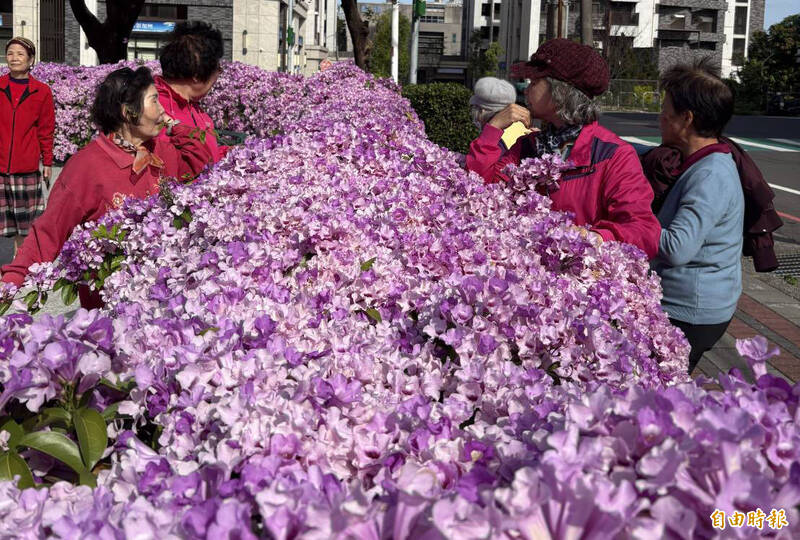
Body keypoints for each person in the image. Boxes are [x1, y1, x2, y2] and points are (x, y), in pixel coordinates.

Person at [1, 67, 213, 307]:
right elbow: (47, 234)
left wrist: (174, 125)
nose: (163, 109)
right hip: (108, 309)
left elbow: (199, 160)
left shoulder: (160, 152)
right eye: (155, 100)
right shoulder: (86, 167)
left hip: (161, 303)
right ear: (127, 111)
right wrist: (10, 284)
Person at [466, 38, 660, 259]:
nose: (526, 89)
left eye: (535, 81)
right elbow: (480, 190)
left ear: (561, 92)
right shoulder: (528, 145)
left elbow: (645, 232)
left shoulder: (613, 155)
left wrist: (593, 237)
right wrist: (493, 128)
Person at [650, 58, 744, 373]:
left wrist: (632, 219)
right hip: (690, 304)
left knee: (657, 397)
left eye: (666, 109)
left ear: (686, 119)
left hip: (689, 310)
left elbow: (678, 248)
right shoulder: (704, 162)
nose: (660, 117)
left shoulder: (711, 174)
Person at [0, 37, 55, 256]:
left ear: (31, 60)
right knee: (6, 221)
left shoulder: (41, 92)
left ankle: (17, 264)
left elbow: (46, 130)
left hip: (26, 169)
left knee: (23, 224)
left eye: (20, 54)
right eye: (10, 53)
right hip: (0, 166)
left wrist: (48, 162)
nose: (14, 58)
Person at [155, 20, 227, 163]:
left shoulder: (193, 106)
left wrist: (231, 154)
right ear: (197, 74)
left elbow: (206, 156)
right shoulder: (154, 110)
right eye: (218, 68)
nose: (219, 73)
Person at [469, 77, 531, 151]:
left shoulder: (492, 140)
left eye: (475, 107)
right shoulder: (522, 127)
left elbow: (476, 161)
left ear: (482, 110)